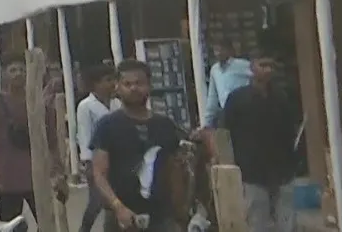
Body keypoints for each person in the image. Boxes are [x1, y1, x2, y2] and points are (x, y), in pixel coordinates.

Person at [91, 59, 185, 232]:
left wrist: (179, 214)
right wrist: (118, 207)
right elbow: (99, 173)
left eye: (139, 83)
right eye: (127, 84)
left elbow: (175, 171)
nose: (134, 88)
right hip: (121, 218)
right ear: (117, 87)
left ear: (149, 86)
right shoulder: (107, 126)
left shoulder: (165, 125)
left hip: (161, 217)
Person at [0, 54, 61, 232]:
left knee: (48, 224)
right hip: (7, 179)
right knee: (10, 227)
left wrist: (57, 171)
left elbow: (53, 141)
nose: (18, 74)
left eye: (23, 70)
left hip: (37, 179)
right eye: (13, 70)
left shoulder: (42, 106)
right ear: (5, 74)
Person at [221, 54, 299, 232]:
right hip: (252, 172)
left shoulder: (281, 98)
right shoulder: (236, 99)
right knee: (257, 222)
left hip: (282, 170)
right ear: (252, 67)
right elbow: (226, 133)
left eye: (271, 65)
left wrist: (293, 162)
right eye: (263, 65)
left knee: (287, 223)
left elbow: (289, 132)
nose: (268, 70)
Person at [76, 64, 122, 232]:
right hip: (96, 159)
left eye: (113, 80)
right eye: (107, 80)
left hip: (117, 157)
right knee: (96, 201)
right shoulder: (86, 106)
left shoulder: (117, 103)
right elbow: (84, 134)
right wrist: (87, 162)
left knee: (115, 199)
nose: (112, 84)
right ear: (95, 84)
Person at [203, 41, 252, 128]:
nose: (218, 53)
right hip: (225, 114)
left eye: (221, 50)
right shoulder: (215, 70)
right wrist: (207, 124)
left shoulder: (242, 65)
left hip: (244, 112)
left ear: (229, 51)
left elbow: (256, 77)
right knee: (222, 140)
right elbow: (212, 98)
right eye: (216, 50)